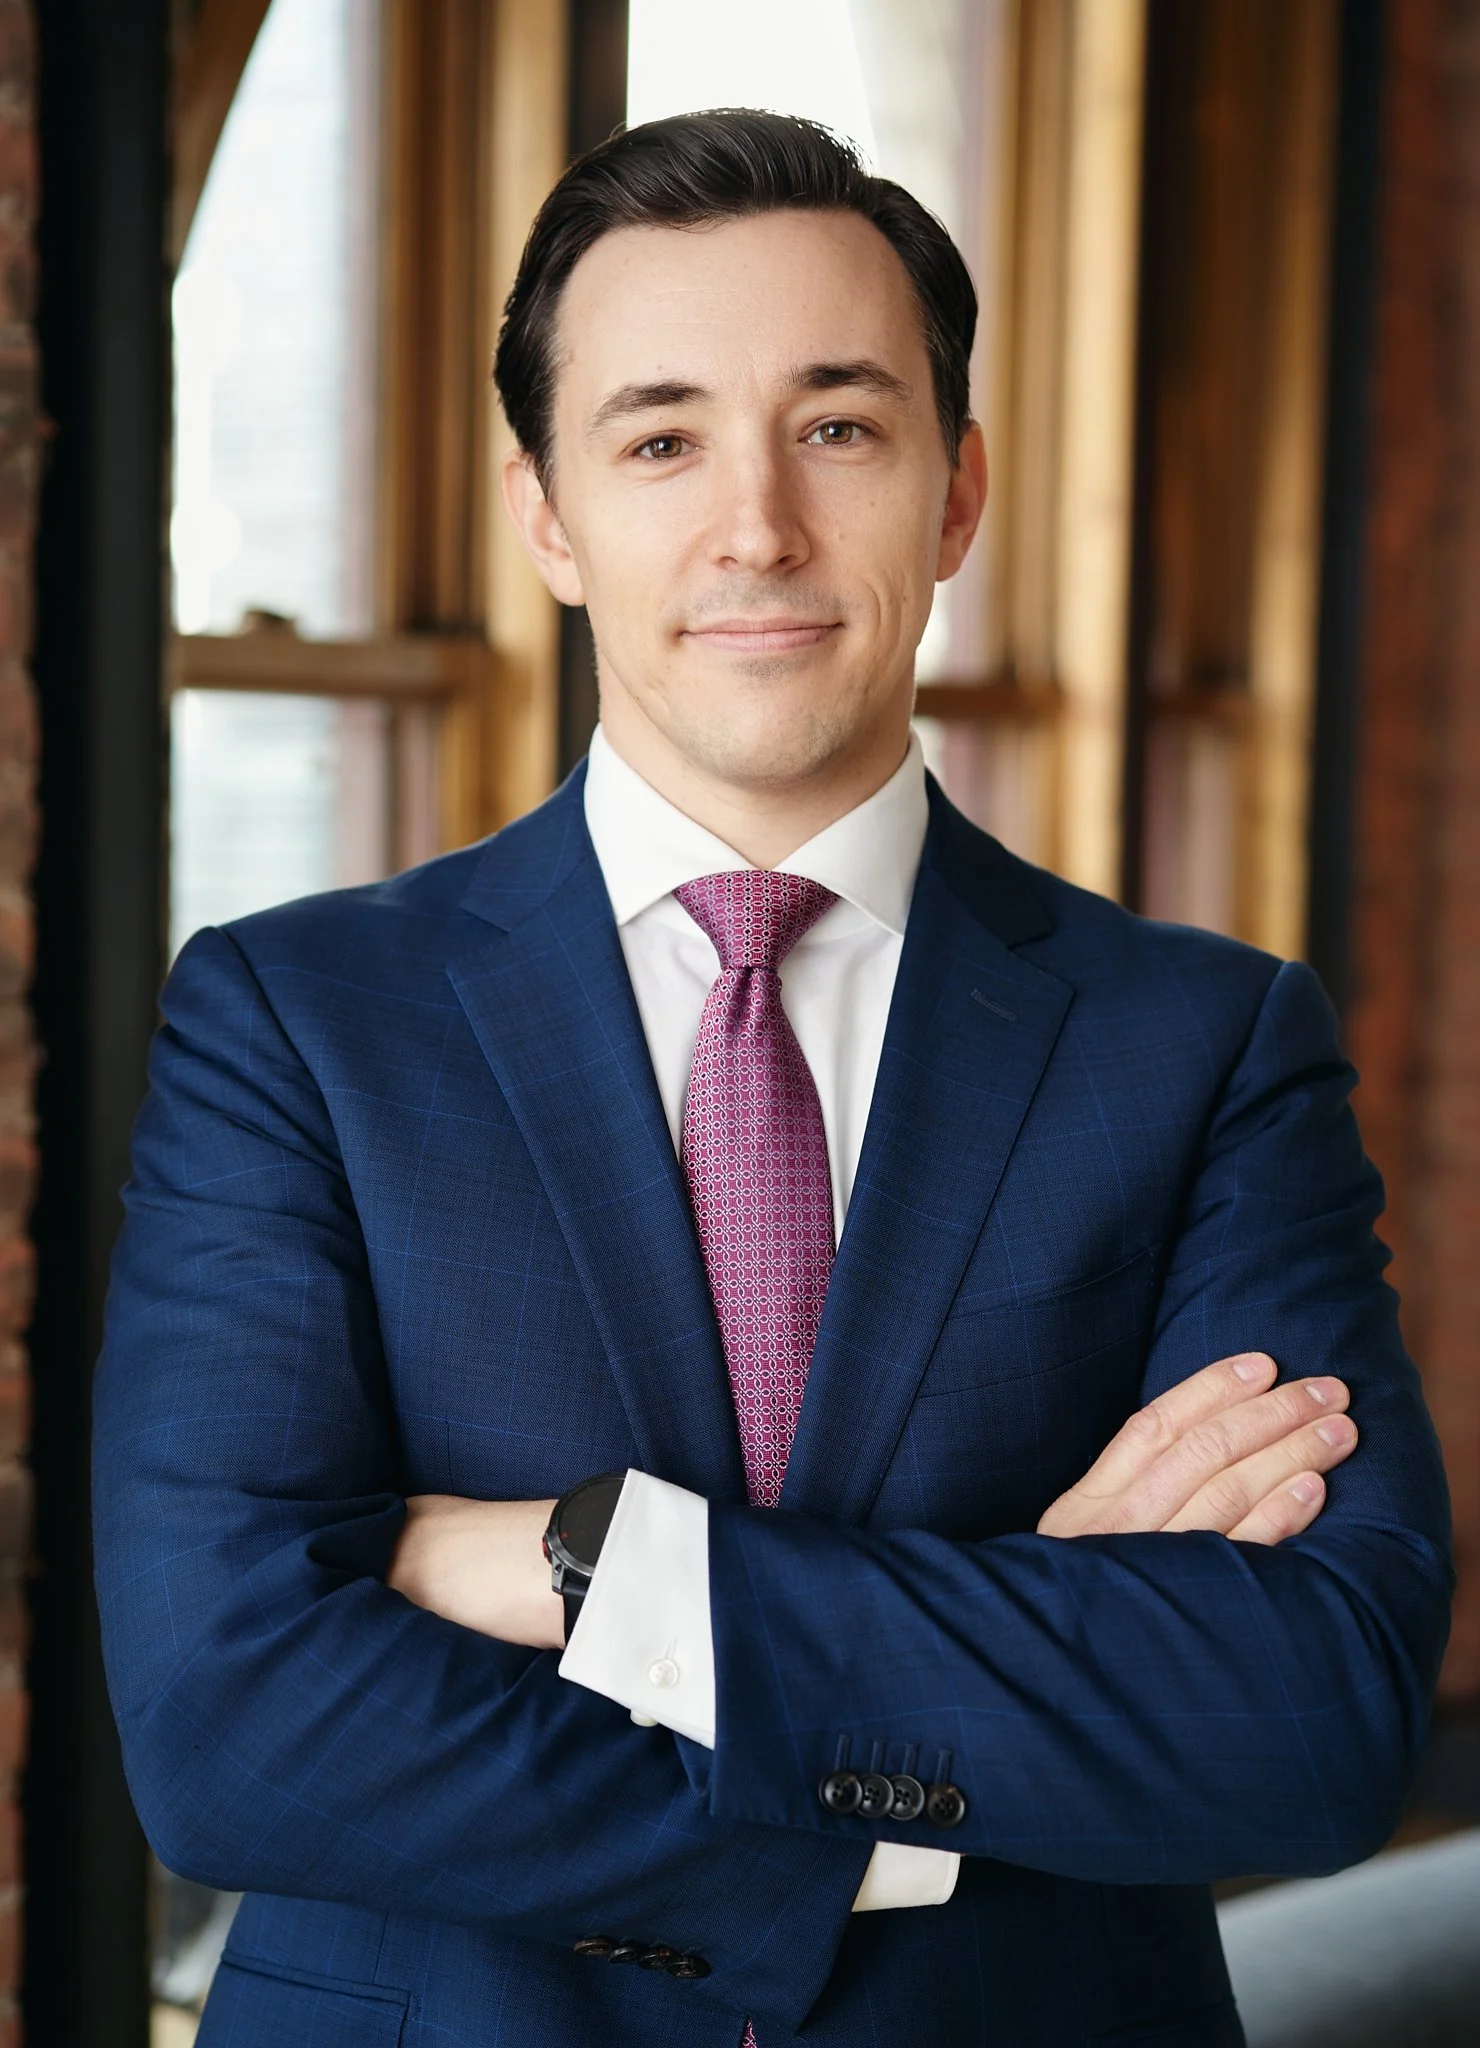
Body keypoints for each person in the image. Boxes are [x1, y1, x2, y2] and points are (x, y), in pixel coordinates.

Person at [93, 111, 1452, 2048]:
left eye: (838, 427)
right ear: (545, 514)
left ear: (958, 490)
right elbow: (234, 1728)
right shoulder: (295, 1020)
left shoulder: (1201, 1041)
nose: (755, 529)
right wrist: (926, 1759)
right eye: (659, 439)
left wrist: (599, 1567)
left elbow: (1306, 1715)